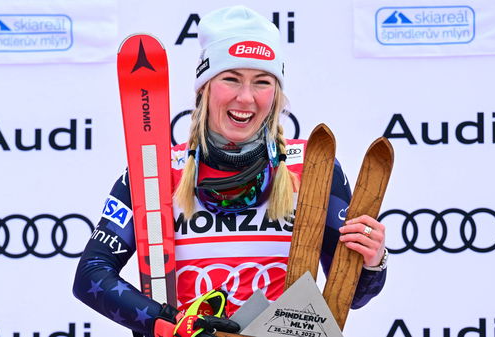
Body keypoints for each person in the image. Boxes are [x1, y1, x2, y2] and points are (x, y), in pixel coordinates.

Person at [73, 5, 388, 337]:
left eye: (262, 82)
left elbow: (352, 297)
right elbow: (91, 275)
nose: (246, 97)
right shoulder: (156, 171)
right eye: (231, 79)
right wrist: (170, 323)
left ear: (277, 94)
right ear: (205, 88)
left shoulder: (314, 167)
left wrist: (373, 261)